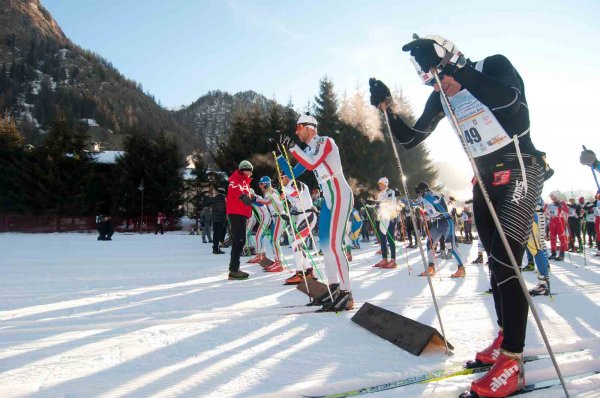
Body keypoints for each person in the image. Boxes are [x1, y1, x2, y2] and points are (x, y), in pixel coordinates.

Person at [369, 34, 546, 396]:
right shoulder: (441, 94)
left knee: (506, 257)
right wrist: (388, 107)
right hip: (483, 178)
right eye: (432, 82)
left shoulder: (492, 65)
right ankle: (504, 337)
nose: (440, 88)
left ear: (451, 60)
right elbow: (411, 137)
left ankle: (513, 360)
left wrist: (461, 73)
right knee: (495, 266)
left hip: (520, 167)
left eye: (440, 77)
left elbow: (512, 103)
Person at [276, 113, 354, 312]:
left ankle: (347, 293)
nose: (296, 131)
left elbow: (311, 164)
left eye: (298, 127)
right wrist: (279, 153)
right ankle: (334, 288)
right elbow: (294, 172)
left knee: (335, 246)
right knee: (325, 246)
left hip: (339, 194)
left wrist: (293, 147)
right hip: (328, 199)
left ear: (310, 127)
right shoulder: (310, 150)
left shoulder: (324, 142)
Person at [415, 181, 465, 278]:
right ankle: (431, 267)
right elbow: (417, 204)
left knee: (450, 246)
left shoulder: (435, 196)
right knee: (429, 243)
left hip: (446, 222)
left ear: (424, 190)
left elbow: (434, 202)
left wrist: (422, 198)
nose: (420, 195)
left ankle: (461, 269)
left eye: (421, 192)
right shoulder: (424, 198)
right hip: (436, 224)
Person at [279, 172, 318, 284]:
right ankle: (308, 270)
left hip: (308, 216)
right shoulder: (287, 188)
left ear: (286, 176)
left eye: (281, 178)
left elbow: (296, 193)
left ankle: (300, 273)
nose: (280, 180)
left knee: (295, 243)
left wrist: (284, 190)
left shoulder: (296, 183)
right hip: (301, 217)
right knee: (297, 244)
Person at [226, 160, 254, 280]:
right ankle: (233, 270)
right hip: (236, 213)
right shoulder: (237, 179)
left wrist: (250, 197)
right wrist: (243, 196)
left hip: (240, 213)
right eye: (249, 171)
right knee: (239, 241)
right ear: (244, 170)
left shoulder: (244, 181)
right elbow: (235, 189)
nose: (250, 174)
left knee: (240, 241)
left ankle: (234, 268)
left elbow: (243, 191)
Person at [255, 176, 287, 271]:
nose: (260, 187)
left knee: (275, 241)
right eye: (259, 184)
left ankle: (279, 264)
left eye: (261, 184)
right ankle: (277, 261)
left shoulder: (271, 191)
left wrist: (255, 199)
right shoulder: (268, 192)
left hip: (279, 217)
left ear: (266, 184)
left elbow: (271, 201)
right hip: (275, 217)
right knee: (273, 241)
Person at [372, 177, 398, 269]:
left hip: (390, 216)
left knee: (390, 238)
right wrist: (372, 204)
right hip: (382, 217)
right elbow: (378, 205)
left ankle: (393, 260)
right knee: (382, 238)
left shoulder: (390, 191)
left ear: (386, 184)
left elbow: (390, 203)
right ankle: (384, 259)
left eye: (381, 184)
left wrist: (380, 204)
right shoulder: (380, 194)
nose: (379, 185)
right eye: (379, 184)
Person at [544, 193, 568, 261]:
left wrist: (561, 206)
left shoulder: (561, 202)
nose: (552, 198)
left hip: (559, 220)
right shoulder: (548, 203)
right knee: (552, 237)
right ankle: (553, 253)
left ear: (556, 196)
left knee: (561, 237)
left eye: (553, 196)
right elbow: (543, 209)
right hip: (552, 220)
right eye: (551, 197)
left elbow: (567, 210)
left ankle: (562, 254)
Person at [211, 187, 227, 254]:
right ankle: (217, 248)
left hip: (214, 218)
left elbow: (205, 203)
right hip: (222, 219)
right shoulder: (225, 199)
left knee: (215, 234)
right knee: (220, 233)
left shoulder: (213, 199)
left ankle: (215, 247)